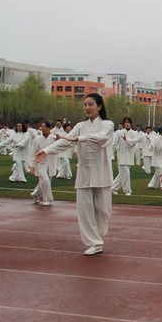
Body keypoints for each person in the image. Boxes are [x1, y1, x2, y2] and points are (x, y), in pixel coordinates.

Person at [36, 93, 115, 255]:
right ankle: (94, 242)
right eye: (85, 104)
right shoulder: (80, 126)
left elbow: (101, 139)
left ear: (99, 106)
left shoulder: (107, 124)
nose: (87, 107)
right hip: (84, 172)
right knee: (84, 209)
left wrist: (80, 139)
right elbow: (66, 141)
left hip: (102, 171)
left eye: (90, 104)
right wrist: (47, 150)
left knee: (103, 210)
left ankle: (97, 235)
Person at [30, 120, 58, 206]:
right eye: (42, 127)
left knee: (44, 182)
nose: (44, 129)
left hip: (51, 163)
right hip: (40, 163)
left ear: (50, 128)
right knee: (45, 181)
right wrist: (31, 165)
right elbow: (33, 152)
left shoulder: (53, 138)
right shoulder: (37, 139)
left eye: (46, 127)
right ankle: (47, 199)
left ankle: (35, 194)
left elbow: (58, 149)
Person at [110, 118, 138, 196]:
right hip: (121, 155)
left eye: (128, 122)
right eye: (125, 123)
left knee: (122, 175)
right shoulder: (119, 133)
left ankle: (113, 188)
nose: (127, 124)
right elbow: (114, 143)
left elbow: (133, 142)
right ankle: (127, 190)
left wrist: (127, 140)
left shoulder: (134, 133)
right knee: (126, 173)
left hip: (129, 155)